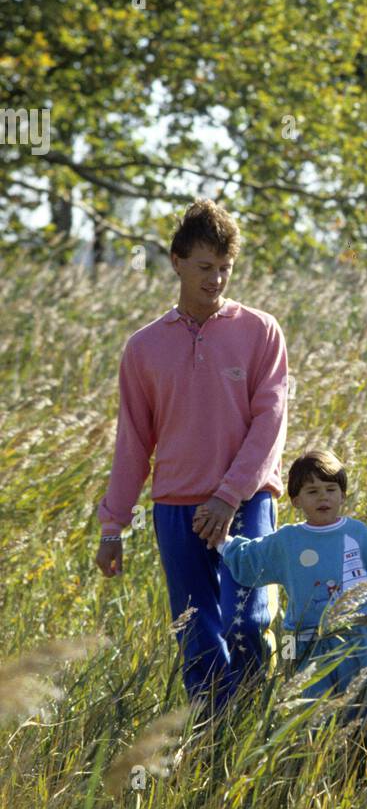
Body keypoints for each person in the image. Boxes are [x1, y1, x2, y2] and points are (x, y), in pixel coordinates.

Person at [95, 199, 288, 711]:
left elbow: (270, 423)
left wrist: (228, 496)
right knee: (197, 634)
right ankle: (211, 739)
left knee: (248, 623)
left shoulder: (261, 332)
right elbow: (133, 443)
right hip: (176, 507)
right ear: (177, 262)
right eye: (205, 267)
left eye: (225, 268)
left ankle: (250, 733)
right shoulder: (143, 348)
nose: (216, 279)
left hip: (246, 504)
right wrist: (113, 527)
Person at [202, 449, 367, 742]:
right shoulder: (288, 540)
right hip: (305, 642)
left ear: (342, 495)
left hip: (357, 639)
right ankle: (312, 767)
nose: (323, 497)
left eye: (330, 489)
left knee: (366, 705)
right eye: (312, 491)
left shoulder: (358, 533)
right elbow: (251, 558)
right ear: (296, 501)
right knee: (310, 713)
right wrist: (221, 540)